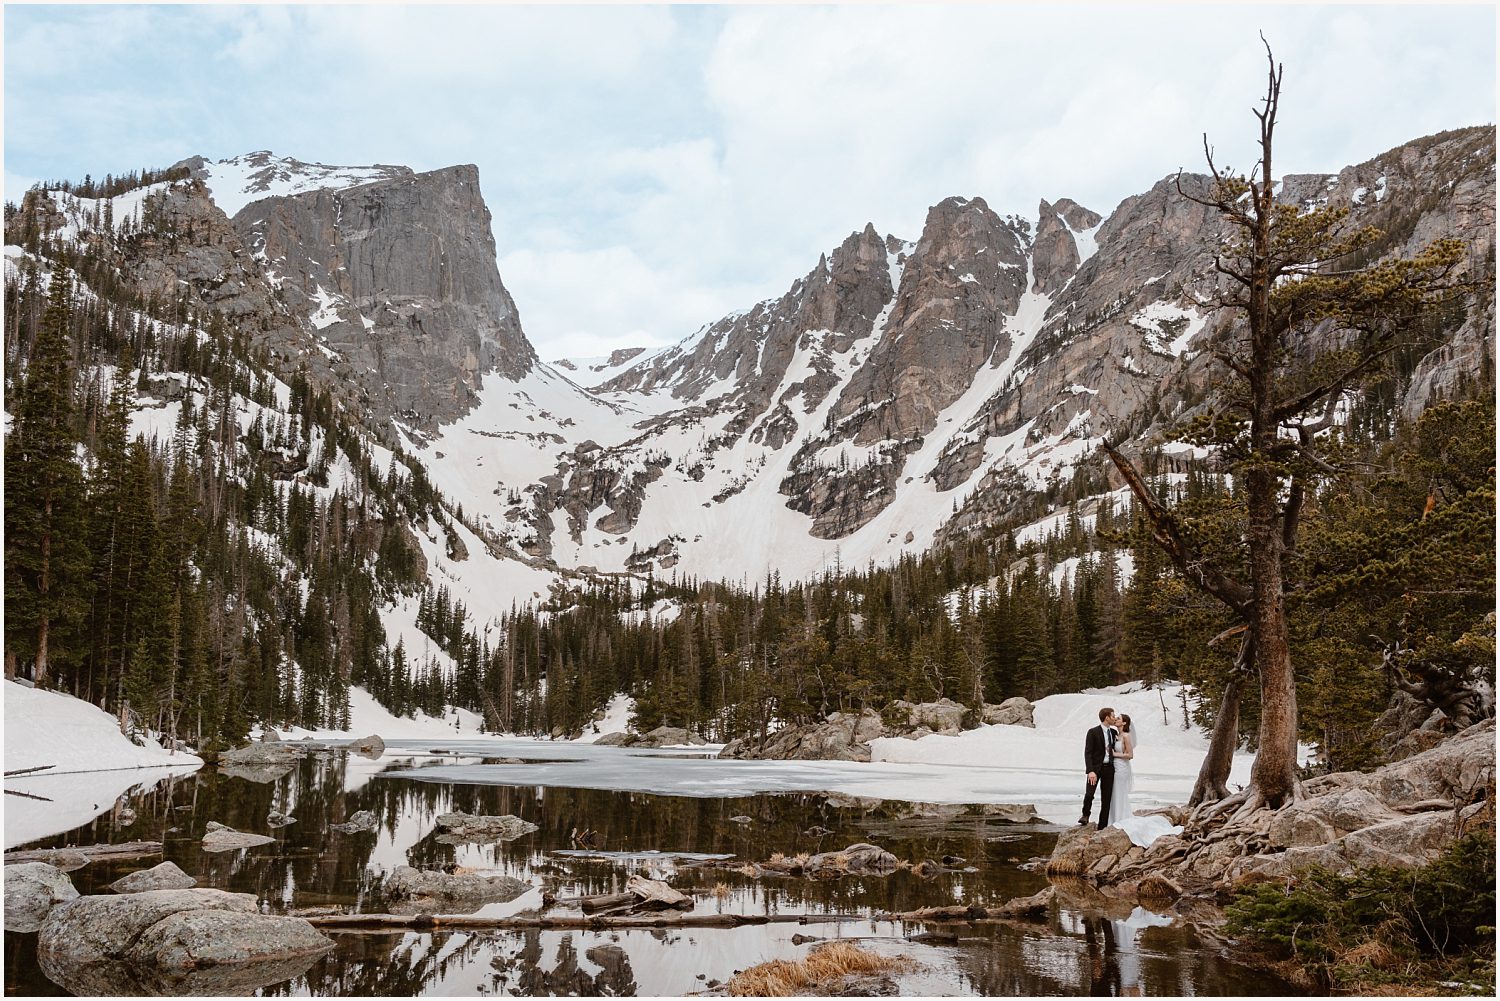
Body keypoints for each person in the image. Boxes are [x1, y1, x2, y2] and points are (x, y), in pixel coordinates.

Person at [1080, 707, 1120, 829]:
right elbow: (1088, 753)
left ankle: (1102, 825)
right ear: (1107, 717)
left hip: (1109, 769)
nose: (1114, 718)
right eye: (1113, 716)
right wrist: (1090, 771)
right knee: (1089, 794)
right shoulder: (1093, 732)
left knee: (1106, 798)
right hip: (1096, 769)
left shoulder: (1113, 733)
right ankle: (1085, 815)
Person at [1107, 713, 1136, 826]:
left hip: (1122, 768)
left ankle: (1121, 818)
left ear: (1124, 723)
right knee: (1114, 792)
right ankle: (1114, 818)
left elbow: (1130, 755)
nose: (1116, 720)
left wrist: (1114, 754)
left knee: (1119, 791)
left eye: (1118, 718)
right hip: (1114, 767)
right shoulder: (1116, 735)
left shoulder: (1126, 736)